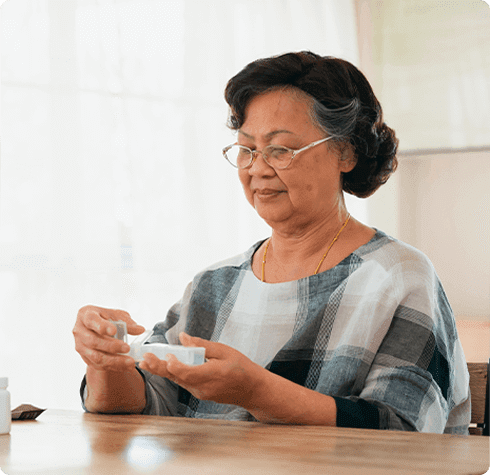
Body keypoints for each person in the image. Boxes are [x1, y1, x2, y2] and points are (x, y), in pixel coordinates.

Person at [73, 51, 470, 433]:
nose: (258, 169)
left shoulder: (398, 277)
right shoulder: (216, 284)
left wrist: (256, 391)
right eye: (247, 149)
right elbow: (142, 403)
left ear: (345, 152)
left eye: (281, 149)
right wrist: (108, 360)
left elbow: (403, 429)